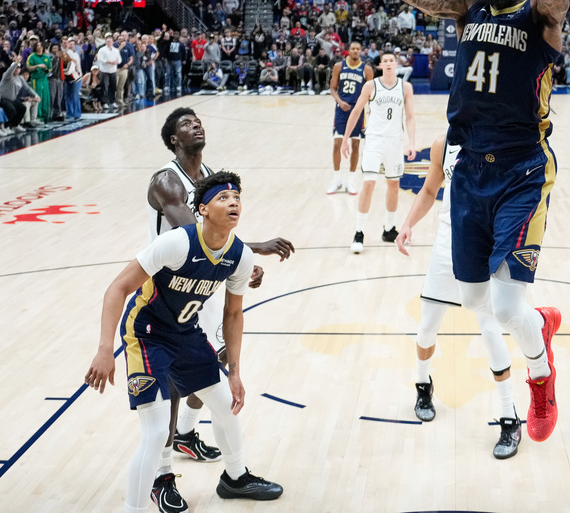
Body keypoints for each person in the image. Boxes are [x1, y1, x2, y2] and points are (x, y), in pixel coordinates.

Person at [392, 0, 565, 443]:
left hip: (522, 167)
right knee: (472, 298)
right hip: (469, 167)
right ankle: (539, 324)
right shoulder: (469, 5)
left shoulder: (542, 14)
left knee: (509, 305)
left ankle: (540, 376)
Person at [86, 171, 284, 513]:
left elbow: (233, 315)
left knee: (225, 404)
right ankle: (140, 501)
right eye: (224, 197)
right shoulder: (176, 242)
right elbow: (117, 288)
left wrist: (234, 371)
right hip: (146, 334)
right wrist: (106, 349)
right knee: (157, 428)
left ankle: (234, 478)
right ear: (203, 209)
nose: (233, 201)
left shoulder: (239, 256)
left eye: (237, 197)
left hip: (185, 333)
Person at [146, 108, 294, 507]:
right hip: (169, 293)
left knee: (216, 365)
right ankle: (161, 471)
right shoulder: (166, 181)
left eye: (198, 120)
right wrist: (249, 252)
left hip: (203, 285)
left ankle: (190, 436)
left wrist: (239, 266)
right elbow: (194, 234)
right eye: (185, 123)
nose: (196, 125)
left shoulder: (208, 173)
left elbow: (219, 237)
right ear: (174, 139)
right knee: (174, 384)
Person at [395, 133, 521, 459]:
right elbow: (427, 190)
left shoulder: (498, 140)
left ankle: (509, 416)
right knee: (426, 327)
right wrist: (407, 224)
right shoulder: (442, 143)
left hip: (485, 246)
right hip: (446, 243)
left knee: (491, 331)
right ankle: (423, 386)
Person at [340, 52, 416, 252]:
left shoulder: (405, 87)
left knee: (394, 184)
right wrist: (345, 139)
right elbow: (356, 111)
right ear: (380, 65)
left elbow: (409, 117)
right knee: (369, 184)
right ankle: (359, 232)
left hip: (395, 142)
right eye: (386, 61)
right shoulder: (370, 86)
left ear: (397, 64)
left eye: (393, 61)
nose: (389, 64)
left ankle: (389, 229)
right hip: (374, 141)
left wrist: (412, 142)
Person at [328, 41, 374, 195]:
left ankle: (351, 181)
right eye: (353, 48)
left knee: (355, 146)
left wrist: (366, 109)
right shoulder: (338, 67)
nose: (355, 51)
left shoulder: (367, 70)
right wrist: (339, 101)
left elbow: (371, 93)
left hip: (358, 112)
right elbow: (332, 88)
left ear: (361, 51)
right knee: (337, 143)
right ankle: (336, 180)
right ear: (348, 51)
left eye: (358, 49)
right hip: (341, 110)